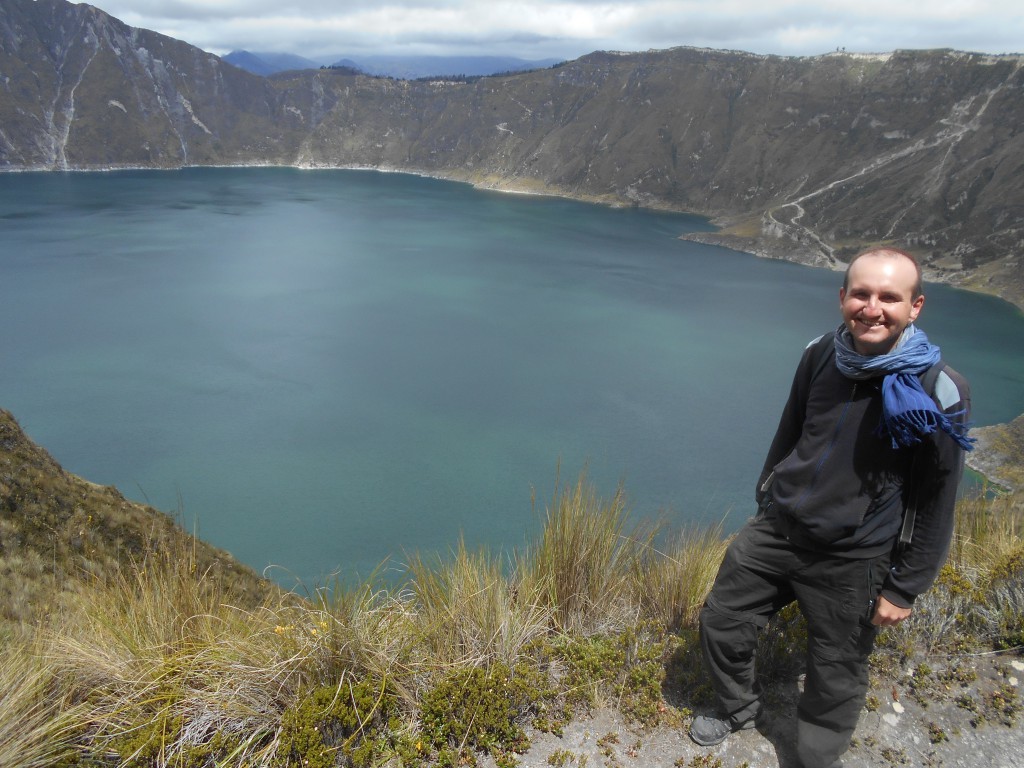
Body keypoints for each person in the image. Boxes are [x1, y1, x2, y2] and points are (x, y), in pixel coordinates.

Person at [689, 247, 974, 768]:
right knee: (723, 619)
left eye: (890, 297)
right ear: (843, 298)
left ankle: (816, 758)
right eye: (861, 294)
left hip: (854, 555)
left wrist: (904, 586)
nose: (873, 307)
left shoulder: (938, 390)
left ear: (915, 307)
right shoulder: (822, 353)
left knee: (835, 666)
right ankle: (737, 707)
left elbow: (937, 499)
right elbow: (792, 431)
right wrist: (766, 497)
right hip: (778, 530)